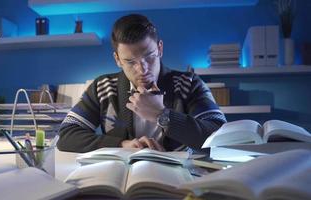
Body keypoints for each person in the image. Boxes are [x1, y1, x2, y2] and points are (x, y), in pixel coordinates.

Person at [57, 14, 226, 153]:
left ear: (160, 49)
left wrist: (162, 115)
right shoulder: (103, 87)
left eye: (149, 57)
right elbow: (67, 135)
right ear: (117, 59)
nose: (142, 69)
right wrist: (122, 145)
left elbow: (221, 137)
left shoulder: (189, 83)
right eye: (130, 62)